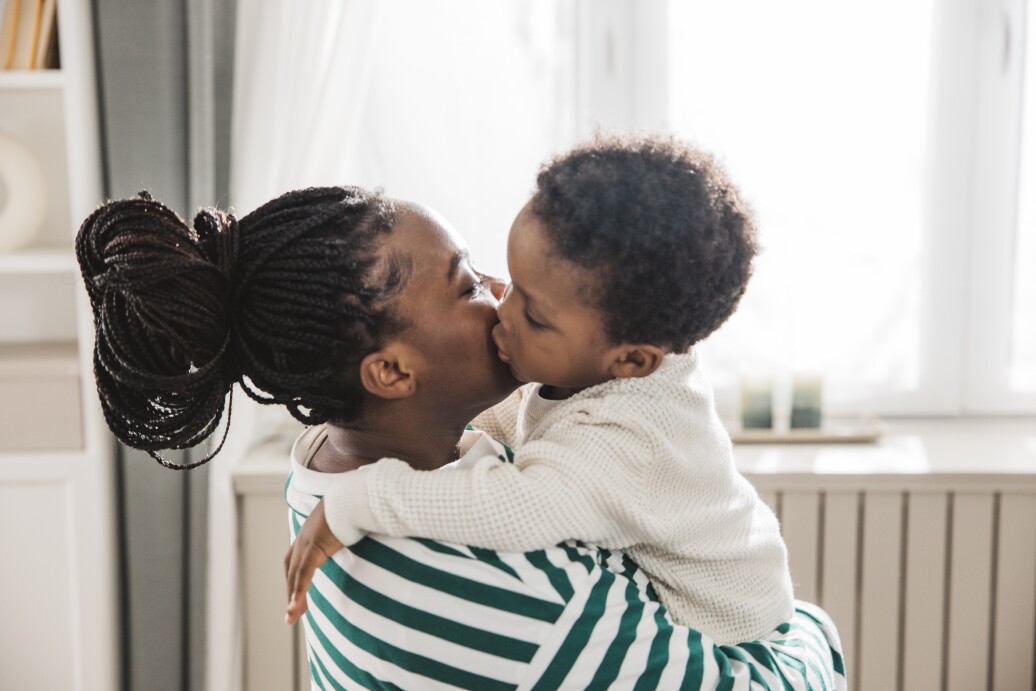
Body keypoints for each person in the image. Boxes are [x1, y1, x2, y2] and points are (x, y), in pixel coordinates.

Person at [78, 184, 845, 689]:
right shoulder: (520, 592)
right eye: (470, 283)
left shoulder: (320, 465)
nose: (504, 296)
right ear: (390, 373)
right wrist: (814, 628)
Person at [285, 134, 792, 644]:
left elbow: (515, 506)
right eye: (514, 282)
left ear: (632, 359)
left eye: (534, 315)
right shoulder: (609, 354)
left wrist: (362, 497)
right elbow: (530, 417)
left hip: (735, 632)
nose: (503, 304)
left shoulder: (625, 440)